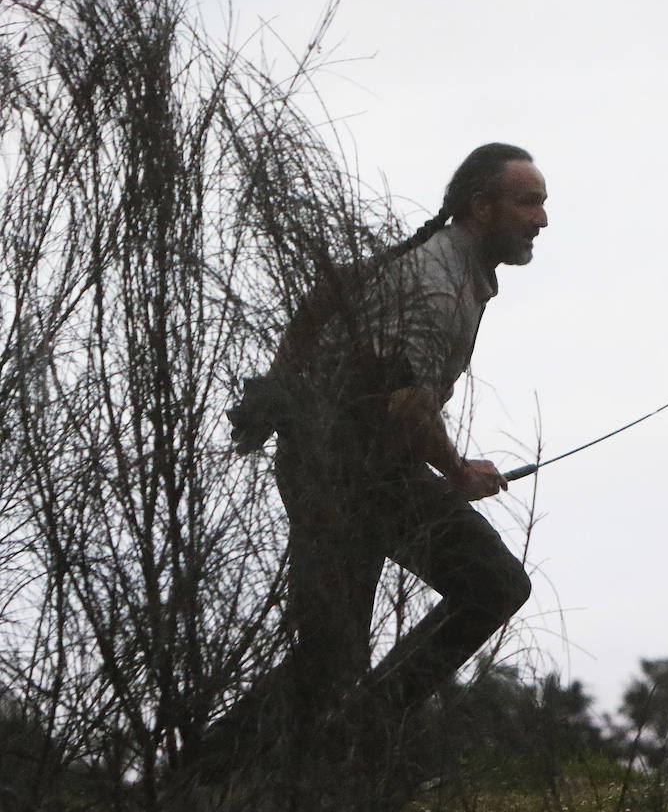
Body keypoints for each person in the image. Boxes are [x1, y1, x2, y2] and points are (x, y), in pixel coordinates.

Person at [224, 143, 547, 767]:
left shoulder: (447, 268)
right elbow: (404, 400)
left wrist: (286, 383)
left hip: (350, 465)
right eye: (527, 201)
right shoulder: (435, 282)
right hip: (346, 470)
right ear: (481, 206)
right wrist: (456, 470)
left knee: (328, 659)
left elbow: (325, 297)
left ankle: (212, 776)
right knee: (492, 585)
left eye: (541, 202)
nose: (541, 219)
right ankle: (354, 740)